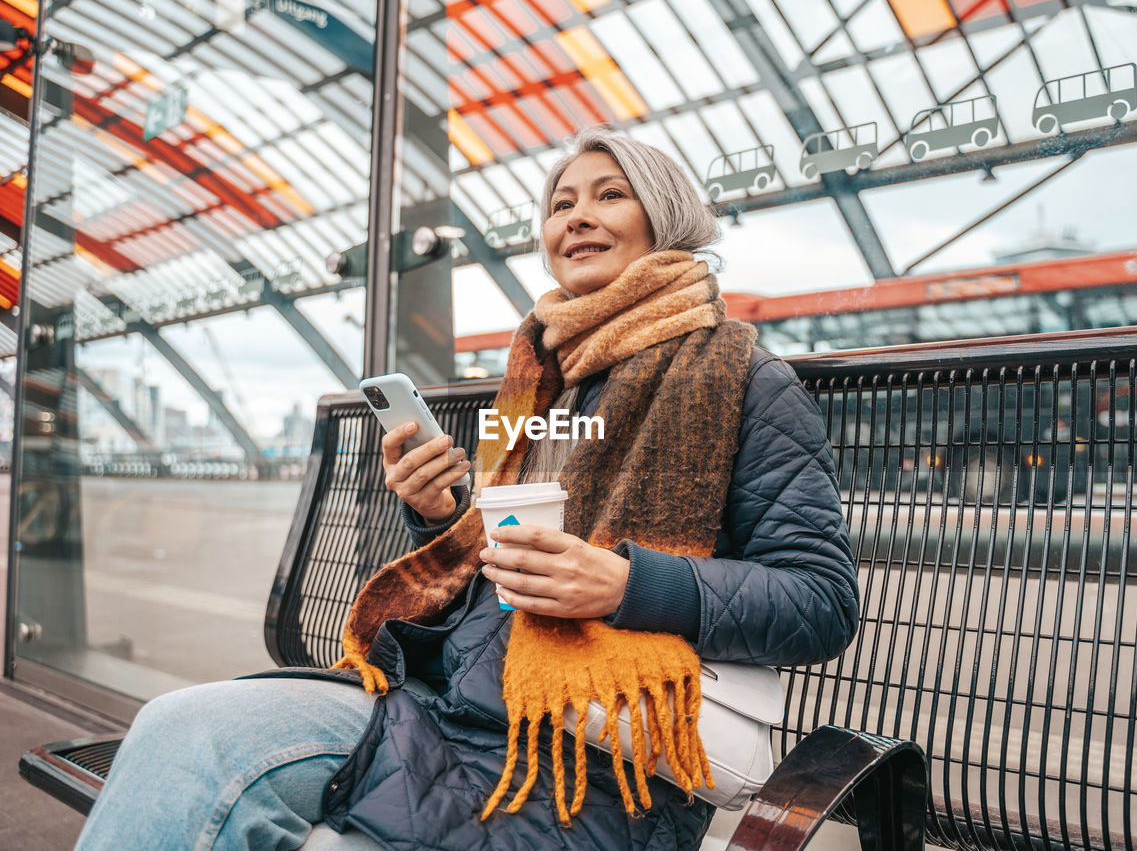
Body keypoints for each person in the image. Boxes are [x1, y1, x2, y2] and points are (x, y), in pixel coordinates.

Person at [74, 126, 859, 851]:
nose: (577, 216)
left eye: (609, 194)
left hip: (597, 758)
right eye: (560, 203)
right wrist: (440, 515)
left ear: (667, 217)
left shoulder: (743, 380)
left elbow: (820, 601)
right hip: (441, 707)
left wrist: (625, 583)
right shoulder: (540, 382)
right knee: (177, 728)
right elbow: (496, 569)